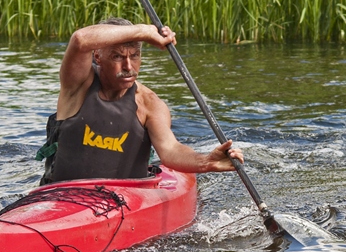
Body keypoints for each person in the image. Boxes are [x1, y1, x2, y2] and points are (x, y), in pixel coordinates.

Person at [37, 17, 243, 185]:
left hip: (124, 202)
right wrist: (145, 31)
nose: (128, 66)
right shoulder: (78, 84)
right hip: (59, 196)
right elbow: (80, 40)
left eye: (135, 55)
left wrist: (206, 162)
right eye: (117, 57)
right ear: (98, 57)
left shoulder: (149, 104)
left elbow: (170, 150)